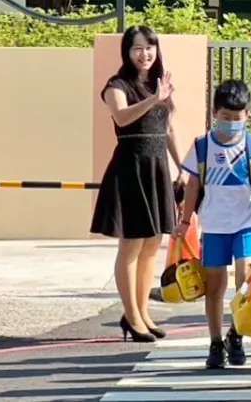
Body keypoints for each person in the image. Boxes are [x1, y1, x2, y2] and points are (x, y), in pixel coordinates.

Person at [91, 26, 184, 343]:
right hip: (130, 168)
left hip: (157, 168)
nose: (145, 54)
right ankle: (131, 316)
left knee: (151, 245)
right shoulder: (116, 86)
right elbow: (121, 117)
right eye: (137, 48)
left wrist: (181, 166)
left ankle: (142, 312)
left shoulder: (162, 85)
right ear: (127, 52)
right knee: (131, 244)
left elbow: (169, 129)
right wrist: (153, 100)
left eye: (150, 47)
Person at [174, 80, 251, 368]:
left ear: (248, 116)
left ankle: (236, 334)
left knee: (245, 277)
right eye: (225, 117)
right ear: (214, 113)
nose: (230, 123)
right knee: (215, 285)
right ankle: (216, 343)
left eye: (236, 118)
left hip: (248, 223)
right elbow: (192, 186)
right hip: (214, 225)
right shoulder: (202, 147)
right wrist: (184, 221)